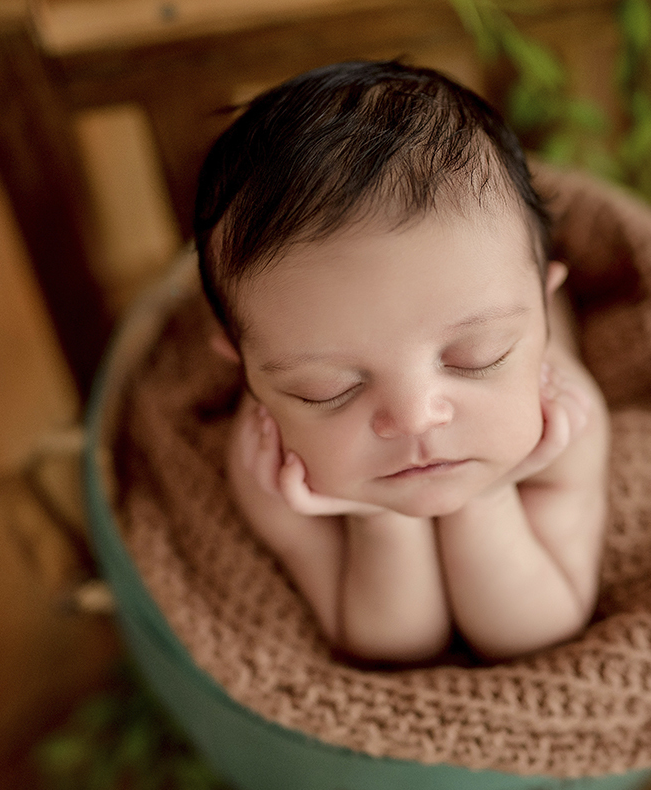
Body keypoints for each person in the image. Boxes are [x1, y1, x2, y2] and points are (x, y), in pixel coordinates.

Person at [194, 60, 609, 664]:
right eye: (325, 390)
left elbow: (538, 630)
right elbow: (394, 648)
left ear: (543, 312)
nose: (415, 417)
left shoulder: (566, 416)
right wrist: (377, 523)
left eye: (477, 357)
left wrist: (488, 497)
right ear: (246, 372)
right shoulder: (268, 466)